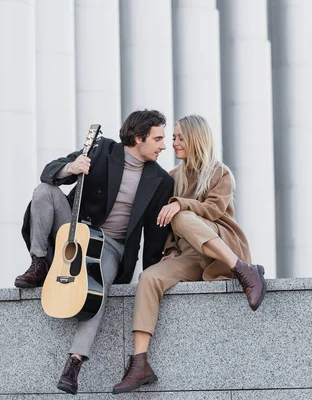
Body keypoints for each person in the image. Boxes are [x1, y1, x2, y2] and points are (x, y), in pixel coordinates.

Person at [14, 109, 175, 395]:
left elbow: (154, 235)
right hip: (74, 228)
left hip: (112, 245)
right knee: (43, 191)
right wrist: (71, 168)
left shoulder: (161, 180)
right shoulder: (102, 151)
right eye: (158, 138)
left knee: (96, 286)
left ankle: (74, 362)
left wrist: (156, 271)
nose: (164, 145)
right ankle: (39, 262)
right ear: (139, 138)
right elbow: (50, 171)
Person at [112, 114, 267, 394]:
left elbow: (213, 211)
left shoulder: (220, 173)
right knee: (149, 277)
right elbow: (165, 227)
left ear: (196, 138)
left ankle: (244, 270)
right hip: (191, 257)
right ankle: (139, 363)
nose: (174, 143)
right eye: (172, 138)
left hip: (221, 251)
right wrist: (170, 249)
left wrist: (180, 204)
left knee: (181, 216)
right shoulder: (171, 177)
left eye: (180, 137)